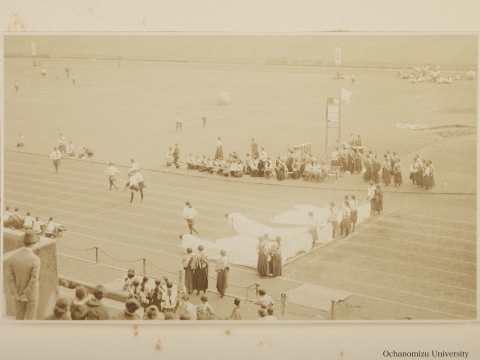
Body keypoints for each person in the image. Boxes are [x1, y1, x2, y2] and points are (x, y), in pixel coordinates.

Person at [6, 230, 41, 320]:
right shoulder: (35, 259)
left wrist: (15, 293)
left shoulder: (13, 256)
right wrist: (26, 294)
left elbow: (9, 277)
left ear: (23, 242)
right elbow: (34, 279)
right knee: (31, 319)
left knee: (19, 318)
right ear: (34, 243)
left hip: (18, 293)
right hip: (31, 295)